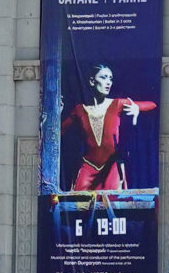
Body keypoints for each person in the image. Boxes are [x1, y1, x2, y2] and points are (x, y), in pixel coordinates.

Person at [62, 62, 156, 192]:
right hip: (89, 166)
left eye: (110, 78)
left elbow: (152, 105)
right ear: (92, 81)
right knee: (79, 203)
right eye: (104, 77)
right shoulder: (79, 110)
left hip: (111, 166)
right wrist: (57, 113)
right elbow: (59, 132)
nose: (108, 82)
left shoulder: (117, 104)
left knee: (110, 203)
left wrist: (136, 108)